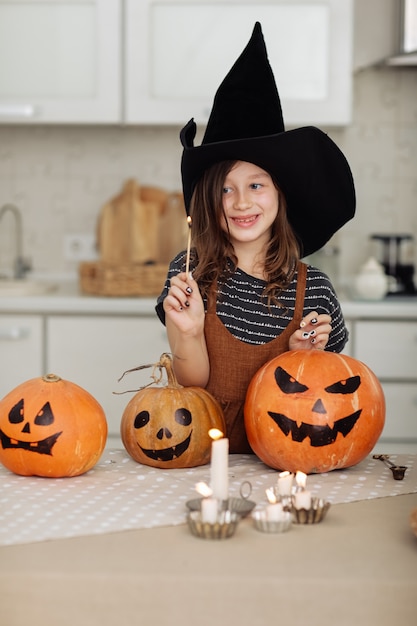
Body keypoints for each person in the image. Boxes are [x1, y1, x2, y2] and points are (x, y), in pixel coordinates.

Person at [156, 22, 356, 454]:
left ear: (281, 194)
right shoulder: (190, 272)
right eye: (225, 188)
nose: (240, 202)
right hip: (203, 457)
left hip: (288, 456)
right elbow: (192, 386)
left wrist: (306, 355)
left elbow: (325, 393)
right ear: (209, 199)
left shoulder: (314, 289)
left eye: (256, 185)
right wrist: (188, 333)